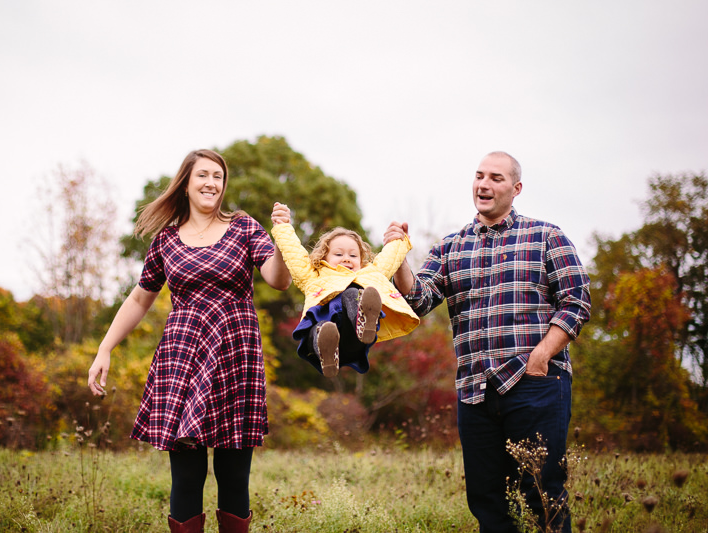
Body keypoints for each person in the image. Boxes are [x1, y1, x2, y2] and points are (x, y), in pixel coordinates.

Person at [385, 151, 591, 533]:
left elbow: (576, 302)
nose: (484, 184)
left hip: (535, 384)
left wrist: (542, 356)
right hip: (474, 391)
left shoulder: (546, 235)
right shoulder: (450, 246)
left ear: (516, 189)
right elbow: (419, 300)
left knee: (542, 494)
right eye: (479, 176)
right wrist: (399, 255)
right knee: (486, 499)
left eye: (496, 178)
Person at [87, 149, 291, 533]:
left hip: (235, 357)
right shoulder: (166, 240)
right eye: (203, 175)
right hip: (182, 360)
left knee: (233, 478)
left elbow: (278, 280)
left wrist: (282, 239)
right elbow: (139, 298)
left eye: (218, 176)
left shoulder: (245, 227)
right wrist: (105, 347)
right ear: (186, 182)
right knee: (186, 477)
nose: (212, 182)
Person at [270, 202, 419, 377]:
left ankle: (364, 322)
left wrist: (400, 241)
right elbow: (294, 254)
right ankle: (327, 351)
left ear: (362, 260)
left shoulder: (370, 274)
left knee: (354, 293)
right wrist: (283, 226)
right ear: (323, 257)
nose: (347, 259)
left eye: (353, 255)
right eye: (339, 254)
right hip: (321, 338)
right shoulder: (313, 276)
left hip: (354, 338)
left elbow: (389, 258)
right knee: (321, 328)